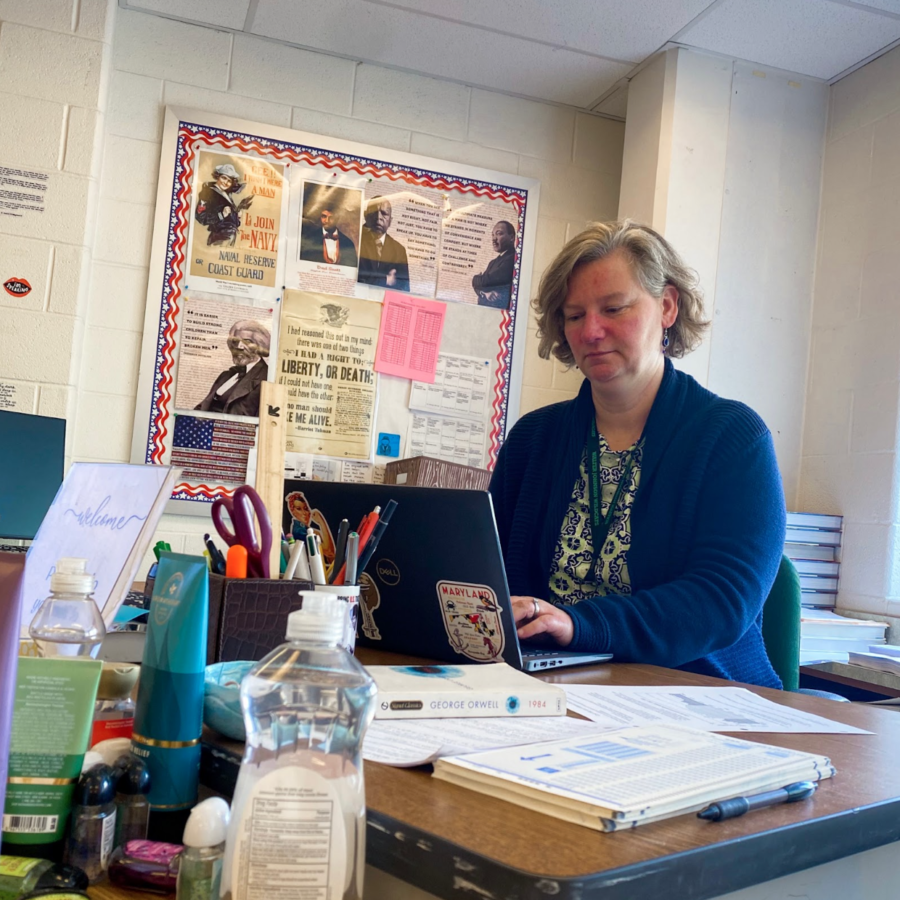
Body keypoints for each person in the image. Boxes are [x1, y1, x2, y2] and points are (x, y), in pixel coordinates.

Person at [489, 220, 785, 689]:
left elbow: (720, 601)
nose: (590, 331)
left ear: (667, 306)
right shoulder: (532, 440)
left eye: (614, 308)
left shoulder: (732, 438)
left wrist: (578, 624)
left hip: (696, 694)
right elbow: (489, 578)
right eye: (573, 315)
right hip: (551, 689)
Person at [195, 320, 270, 418]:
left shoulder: (266, 378)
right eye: (235, 341)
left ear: (260, 345)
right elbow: (203, 407)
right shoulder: (226, 375)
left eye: (247, 341)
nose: (239, 346)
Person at [357, 197, 410, 291]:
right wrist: (386, 279)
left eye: (384, 213)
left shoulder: (399, 250)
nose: (378, 217)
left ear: (390, 221)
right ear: (366, 216)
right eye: (373, 212)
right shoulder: (355, 240)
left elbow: (403, 287)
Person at [194, 163, 252, 247]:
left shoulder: (226, 194)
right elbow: (201, 217)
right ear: (218, 176)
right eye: (224, 178)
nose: (225, 182)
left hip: (229, 237)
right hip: (219, 237)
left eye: (229, 181)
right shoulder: (207, 193)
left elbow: (230, 222)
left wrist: (236, 216)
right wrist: (222, 215)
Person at [285, 491, 336, 567]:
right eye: (299, 509)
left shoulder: (309, 530)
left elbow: (332, 558)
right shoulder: (299, 531)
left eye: (306, 508)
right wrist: (322, 523)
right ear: (293, 512)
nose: (305, 513)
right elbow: (330, 552)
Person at [472, 221, 516, 308]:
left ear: (511, 237)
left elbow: (486, 282)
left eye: (499, 234)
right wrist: (485, 293)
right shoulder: (492, 263)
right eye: (492, 235)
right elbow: (481, 286)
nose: (494, 239)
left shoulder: (512, 259)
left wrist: (475, 278)